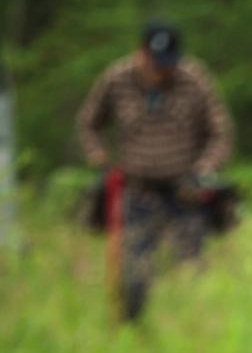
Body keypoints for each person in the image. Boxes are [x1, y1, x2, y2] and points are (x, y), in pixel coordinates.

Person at [77, 20, 233, 320]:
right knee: (133, 273)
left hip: (185, 191)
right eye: (155, 62)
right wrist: (96, 154)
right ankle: (131, 330)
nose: (162, 70)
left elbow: (220, 132)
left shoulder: (194, 78)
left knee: (191, 272)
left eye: (168, 63)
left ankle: (192, 332)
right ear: (140, 54)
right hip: (137, 191)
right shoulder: (116, 78)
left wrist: (206, 167)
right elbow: (88, 122)